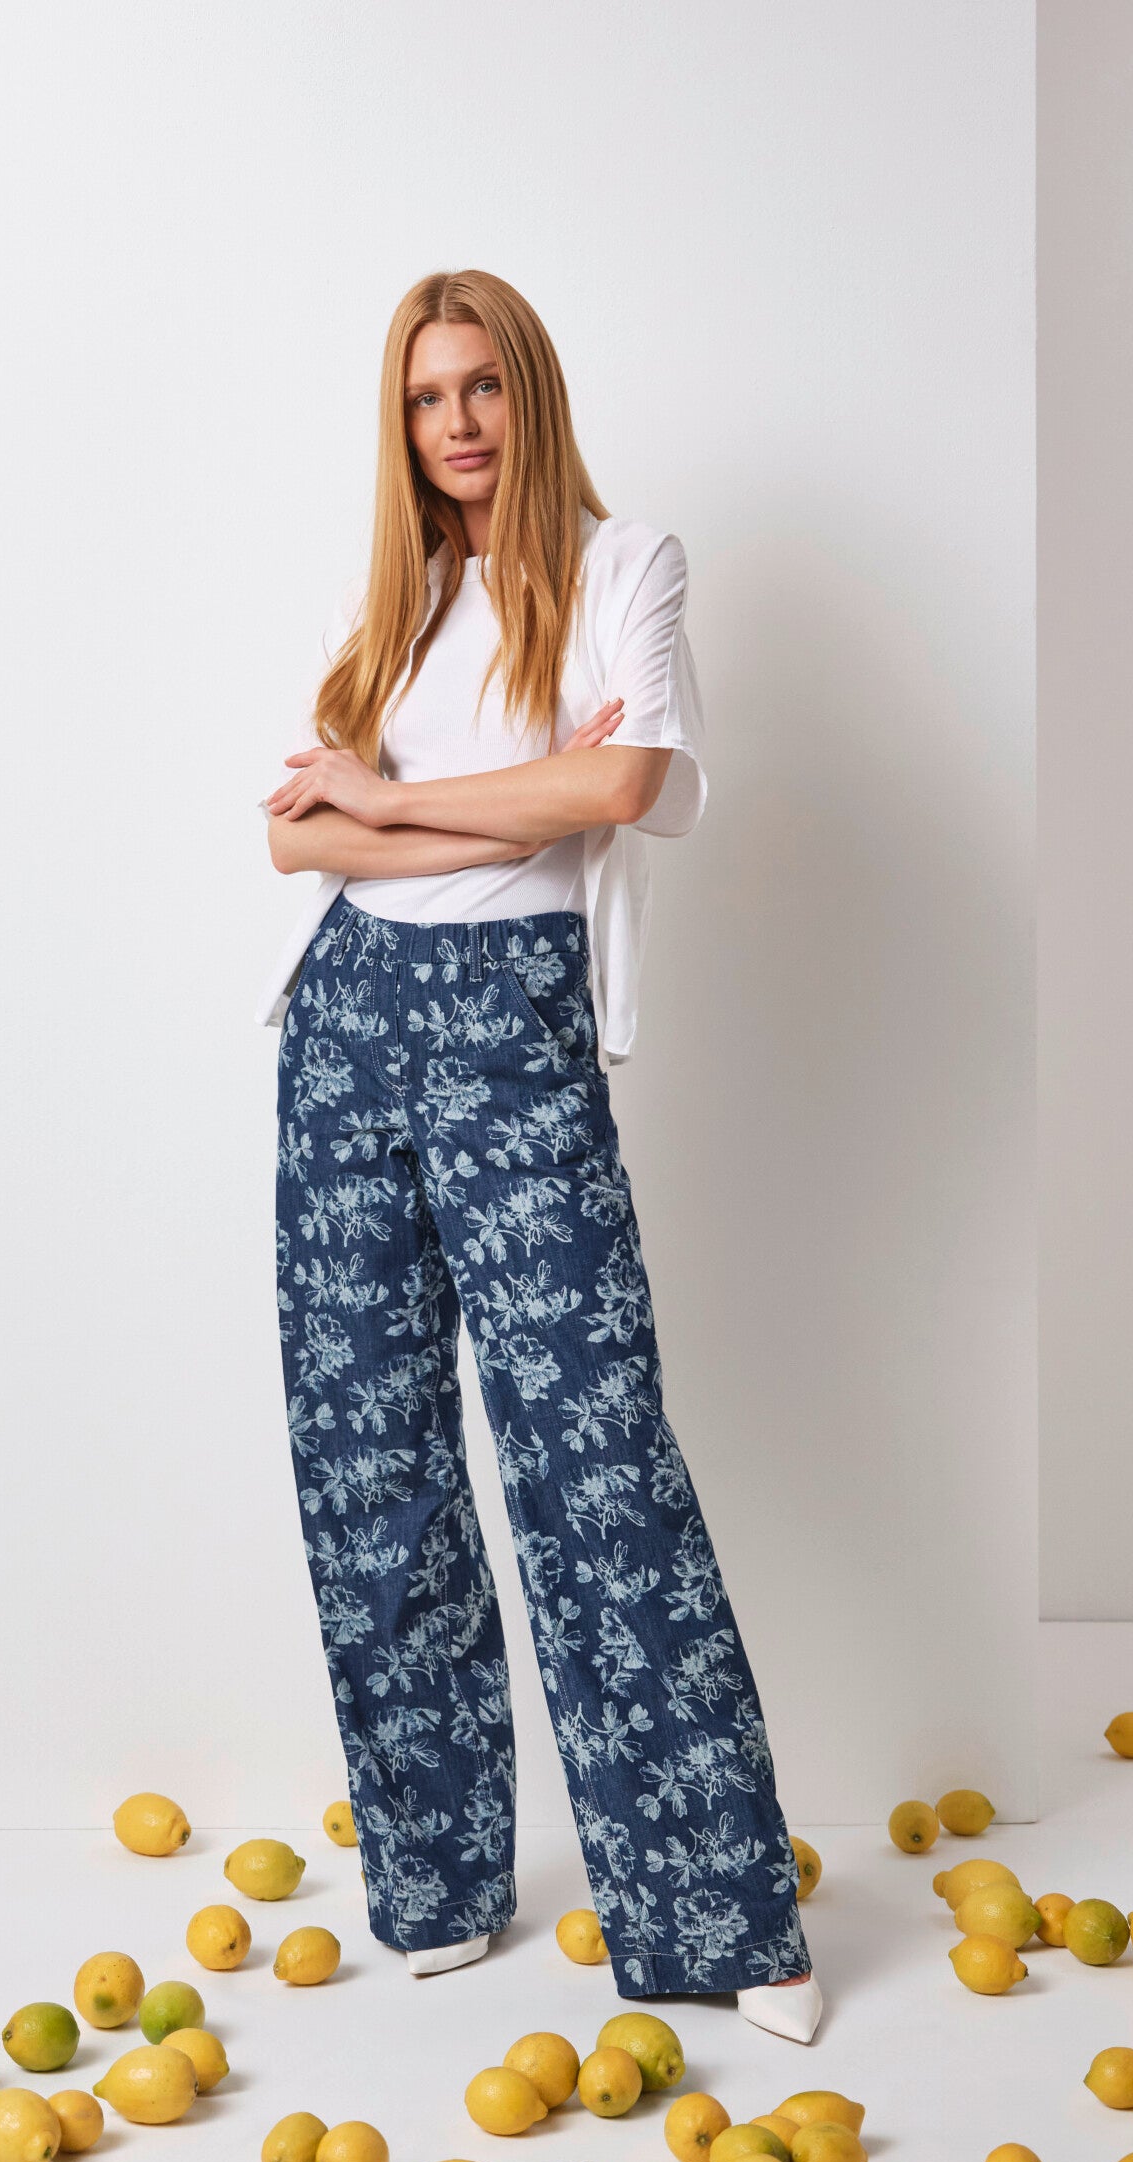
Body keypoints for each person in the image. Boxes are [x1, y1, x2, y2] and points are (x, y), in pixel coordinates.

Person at [255, 268, 821, 2042]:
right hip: (347, 1025)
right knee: (371, 1457)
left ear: (531, 391)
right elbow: (295, 850)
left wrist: (396, 799)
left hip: (515, 1027)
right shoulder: (394, 608)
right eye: (428, 398)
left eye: (482, 385)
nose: (459, 424)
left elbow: (621, 790)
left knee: (596, 1457)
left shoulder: (626, 567)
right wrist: (474, 805)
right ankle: (434, 1880)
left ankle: (719, 1914)